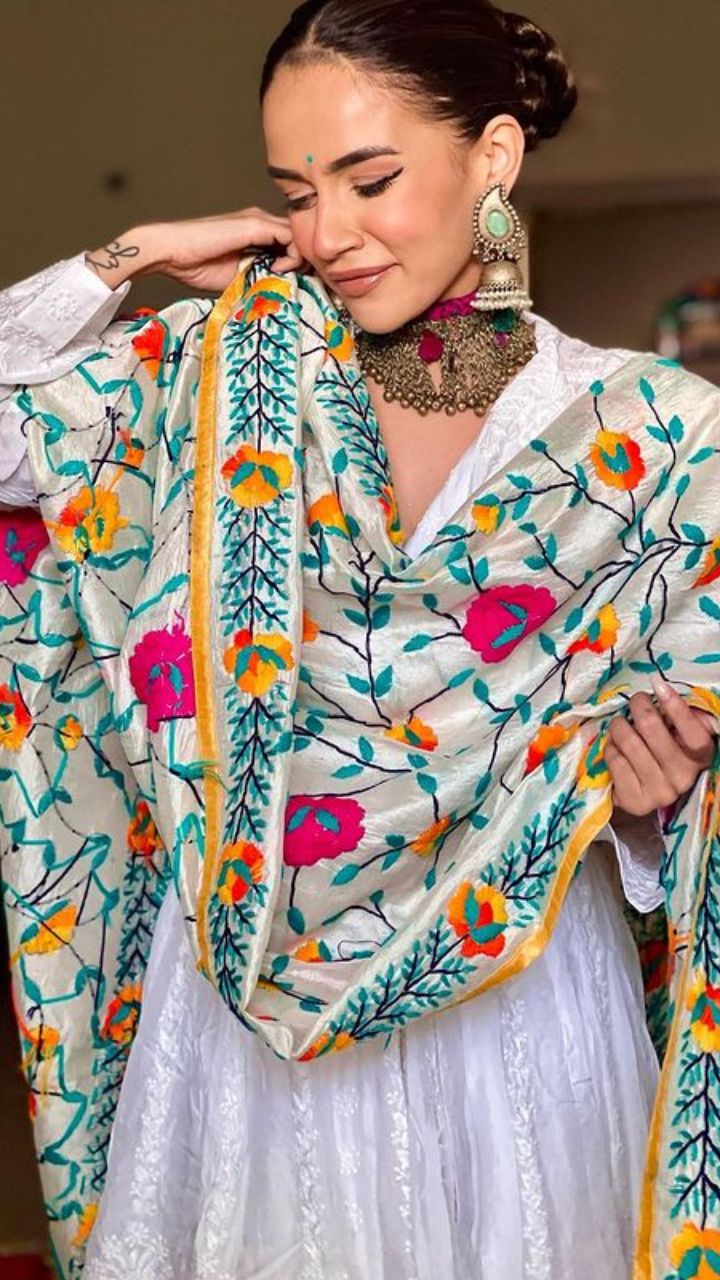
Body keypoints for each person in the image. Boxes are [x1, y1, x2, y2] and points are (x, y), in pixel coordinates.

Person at [1, 3, 718, 1278]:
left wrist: (652, 810)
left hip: (515, 1007)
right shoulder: (220, 382)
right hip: (242, 1001)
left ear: (493, 156)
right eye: (296, 191)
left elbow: (678, 743)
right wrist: (130, 257)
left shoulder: (650, 435)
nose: (327, 232)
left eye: (369, 178)